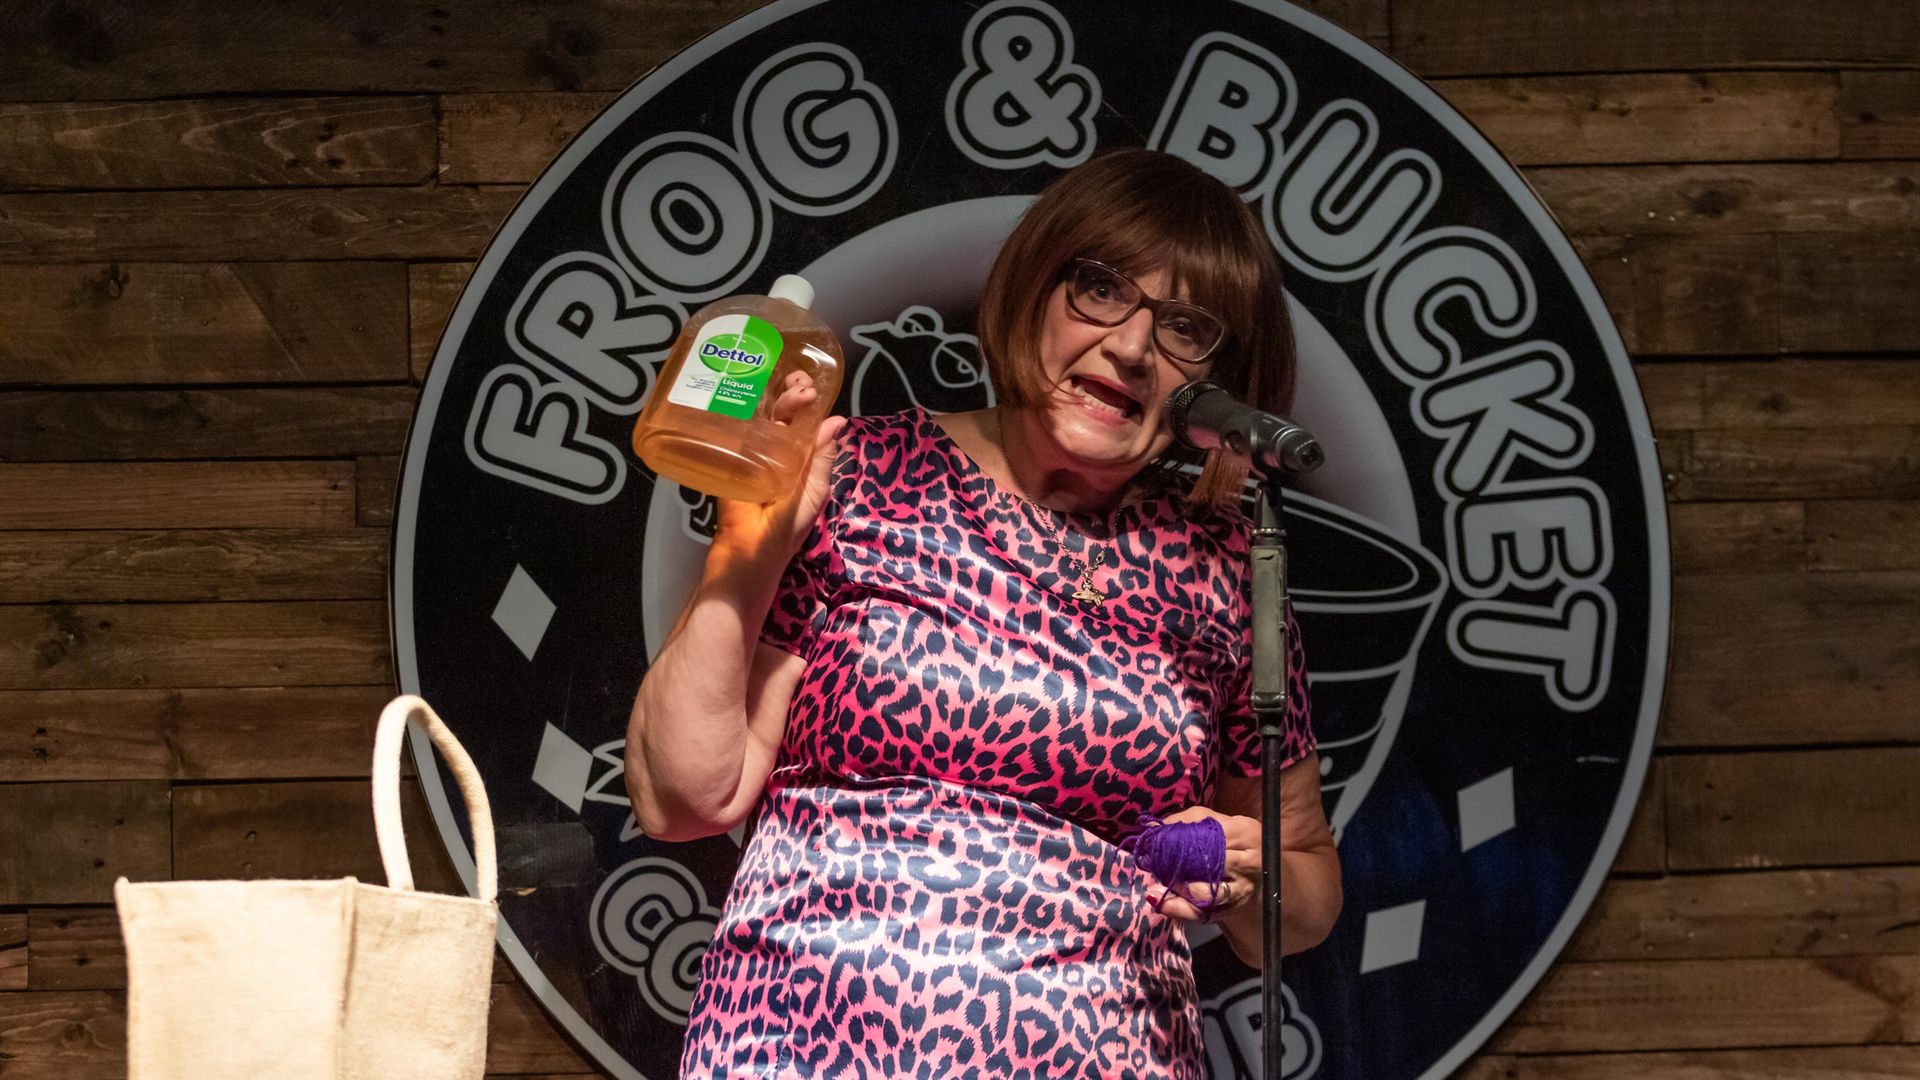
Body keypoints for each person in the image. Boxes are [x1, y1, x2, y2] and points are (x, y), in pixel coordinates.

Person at [626, 147, 1341, 1080]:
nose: (1130, 346)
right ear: (1033, 290)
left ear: (1219, 385)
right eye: (1098, 290)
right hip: (804, 1049)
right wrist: (744, 554)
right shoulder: (866, 476)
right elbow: (683, 796)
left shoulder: (1225, 568)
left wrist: (1255, 883)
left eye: (1186, 329)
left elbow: (1309, 887)